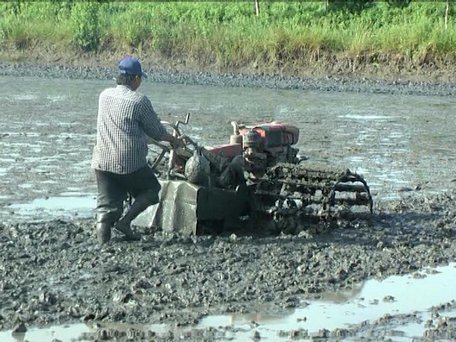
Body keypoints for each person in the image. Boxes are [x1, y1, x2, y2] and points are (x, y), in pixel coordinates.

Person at [91, 56, 180, 244]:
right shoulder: (139, 101)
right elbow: (157, 132)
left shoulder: (104, 95)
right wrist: (174, 140)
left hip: (101, 160)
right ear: (136, 79)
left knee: (106, 206)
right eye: (140, 78)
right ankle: (125, 222)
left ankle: (102, 244)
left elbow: (122, 125)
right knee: (151, 189)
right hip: (128, 163)